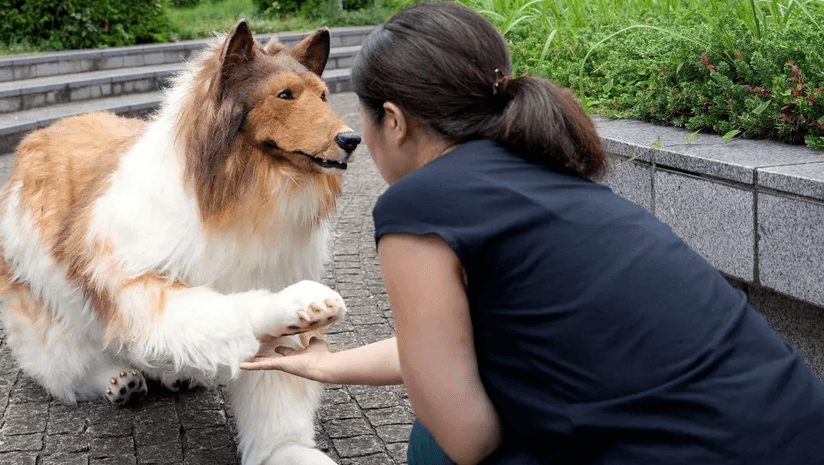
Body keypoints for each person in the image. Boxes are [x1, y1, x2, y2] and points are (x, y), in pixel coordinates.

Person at [241, 2, 824, 464]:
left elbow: (466, 438)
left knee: (433, 442)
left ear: (391, 120)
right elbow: (451, 346)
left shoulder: (421, 202)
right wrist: (325, 364)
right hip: (795, 426)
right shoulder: (542, 169)